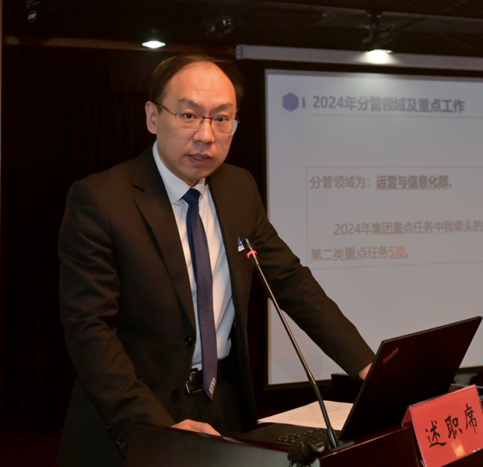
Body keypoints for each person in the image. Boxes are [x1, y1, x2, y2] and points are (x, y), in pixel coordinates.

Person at [57, 54, 374, 467]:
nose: (206, 135)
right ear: (153, 116)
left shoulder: (238, 187)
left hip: (222, 406)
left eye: (222, 119)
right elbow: (89, 330)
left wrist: (366, 366)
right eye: (189, 115)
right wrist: (159, 429)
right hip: (134, 415)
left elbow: (290, 281)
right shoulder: (101, 200)